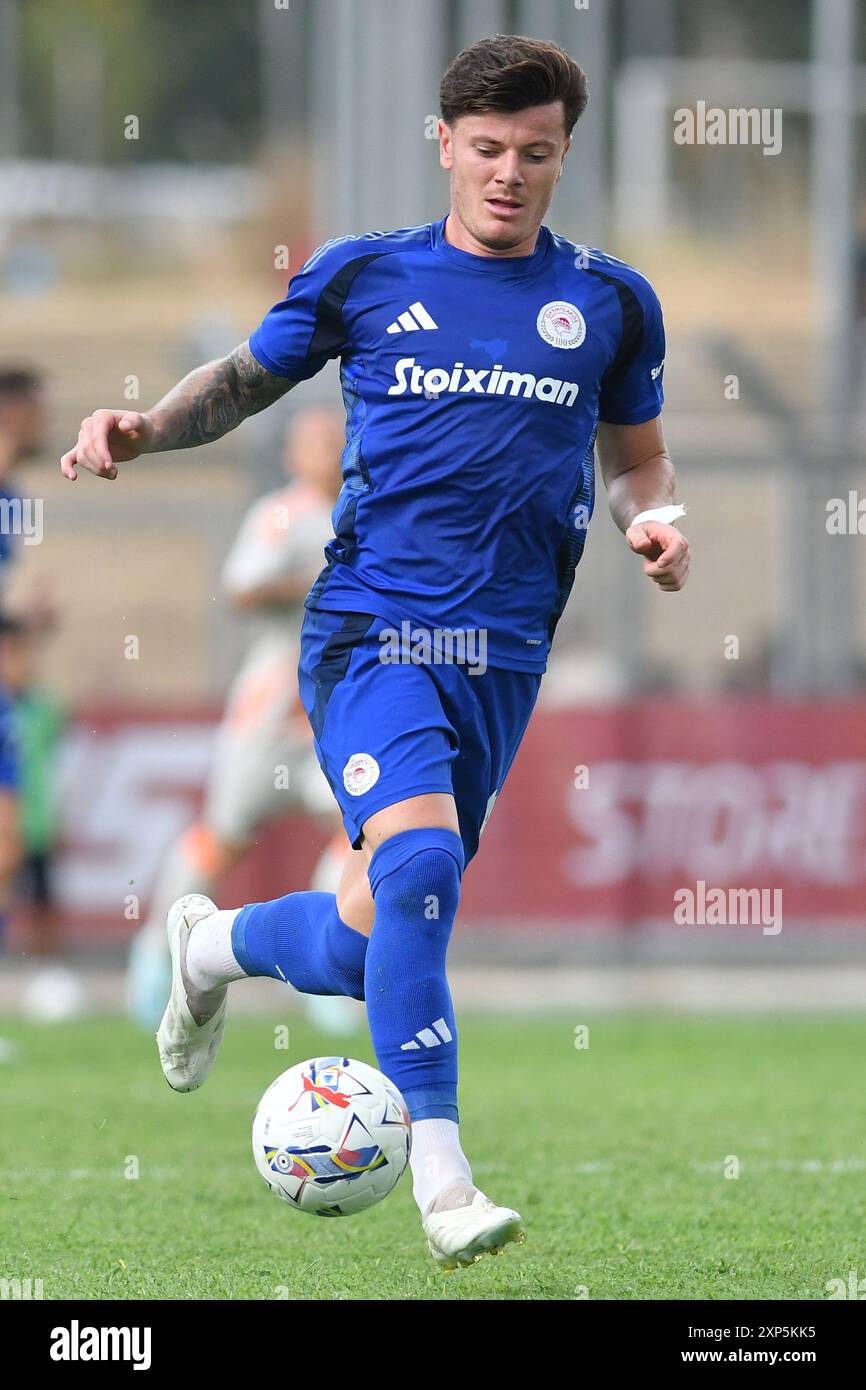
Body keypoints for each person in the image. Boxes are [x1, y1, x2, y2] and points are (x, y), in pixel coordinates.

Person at [60, 35, 690, 1268]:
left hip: (502, 655)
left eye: (537, 153)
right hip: (372, 632)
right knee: (420, 869)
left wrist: (654, 521)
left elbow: (637, 459)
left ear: (563, 155)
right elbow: (241, 381)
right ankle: (444, 1178)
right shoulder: (364, 275)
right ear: (445, 143)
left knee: (367, 939)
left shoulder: (609, 302)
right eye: (489, 149)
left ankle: (209, 945)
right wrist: (144, 426)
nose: (510, 174)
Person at [125, 407, 356, 1033]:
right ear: (292, 456)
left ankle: (327, 970)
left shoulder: (368, 513)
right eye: (317, 441)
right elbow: (242, 589)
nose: (330, 450)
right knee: (223, 836)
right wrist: (315, 585)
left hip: (334, 713)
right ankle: (155, 956)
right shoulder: (280, 514)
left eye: (337, 440)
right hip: (269, 715)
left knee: (363, 828)